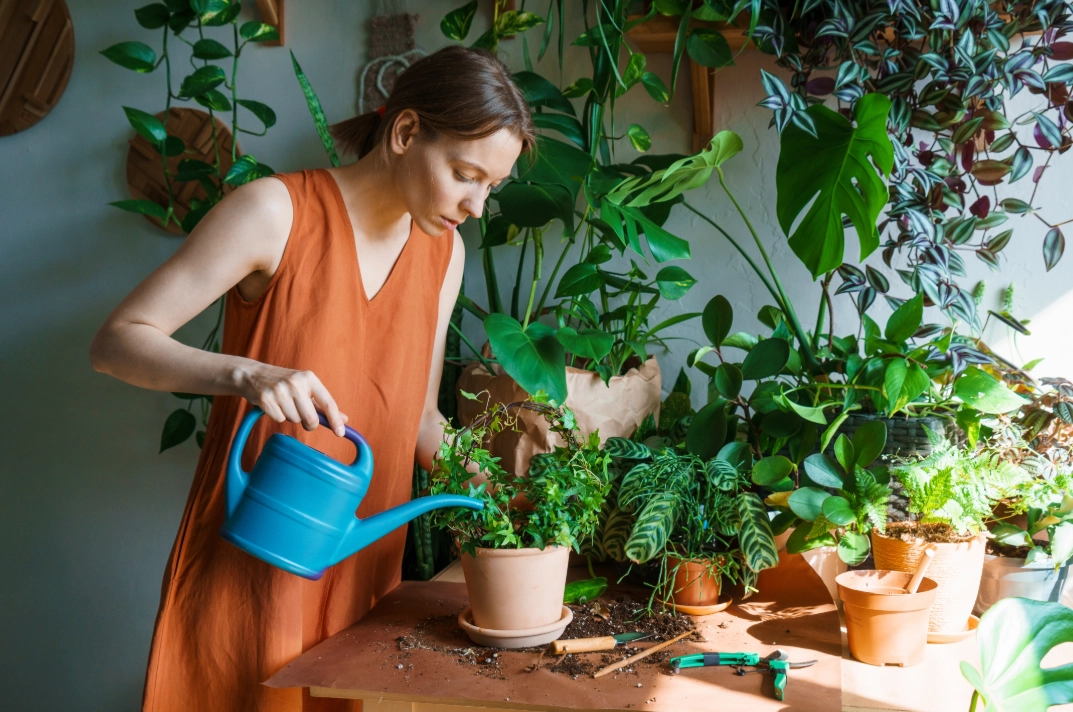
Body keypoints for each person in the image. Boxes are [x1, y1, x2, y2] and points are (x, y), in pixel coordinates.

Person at [89, 45, 535, 712]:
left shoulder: (444, 254)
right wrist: (247, 374)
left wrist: (501, 496)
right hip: (254, 568)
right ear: (406, 132)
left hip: (362, 577)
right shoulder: (273, 212)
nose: (475, 205)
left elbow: (416, 418)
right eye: (465, 174)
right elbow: (116, 343)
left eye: (490, 187)